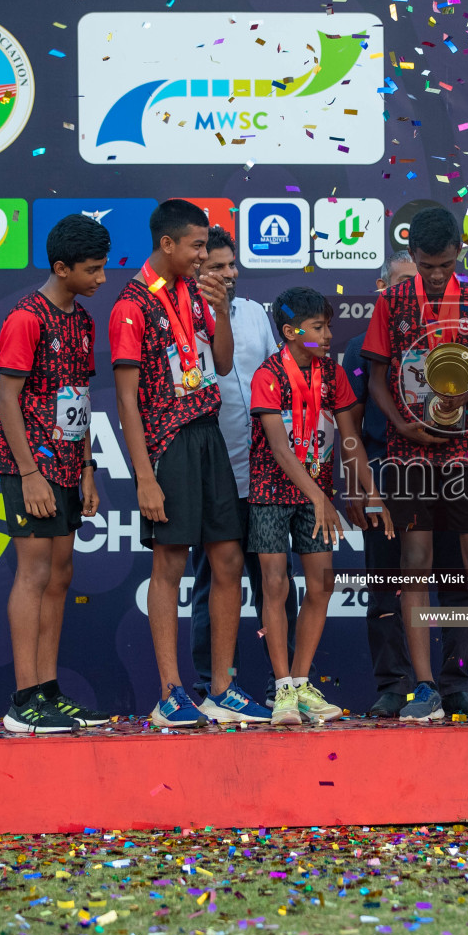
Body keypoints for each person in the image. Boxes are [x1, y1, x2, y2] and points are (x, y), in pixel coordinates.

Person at [109, 199, 270, 727]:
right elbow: (126, 401)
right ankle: (169, 692)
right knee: (170, 563)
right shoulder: (130, 306)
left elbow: (221, 363)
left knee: (226, 558)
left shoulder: (196, 295)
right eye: (198, 247)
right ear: (168, 244)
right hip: (167, 441)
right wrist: (146, 477)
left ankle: (221, 688)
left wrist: (221, 310)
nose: (205, 256)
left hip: (208, 434)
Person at [361, 206, 468, 724]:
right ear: (413, 256)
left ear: (459, 255)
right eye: (426, 265)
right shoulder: (393, 301)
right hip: (409, 450)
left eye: (444, 265)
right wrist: (399, 426)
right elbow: (377, 377)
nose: (434, 275)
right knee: (416, 560)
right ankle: (423, 687)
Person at [250, 287, 393, 724]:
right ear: (291, 332)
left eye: (328, 326)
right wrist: (320, 497)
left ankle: (300, 684)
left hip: (316, 497)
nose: (329, 335)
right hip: (271, 493)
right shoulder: (268, 374)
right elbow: (278, 447)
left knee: (321, 586)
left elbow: (350, 440)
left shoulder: (333, 374)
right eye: (318, 328)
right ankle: (281, 691)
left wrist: (371, 494)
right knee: (275, 586)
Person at [342, 253, 468, 718]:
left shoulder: (459, 340)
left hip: (453, 475)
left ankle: (456, 683)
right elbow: (350, 425)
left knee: (456, 583)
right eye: (402, 286)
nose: (414, 296)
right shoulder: (361, 346)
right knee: (386, 585)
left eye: (421, 285)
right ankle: (396, 685)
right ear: (383, 291)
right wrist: (357, 486)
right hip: (387, 475)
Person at [0, 214, 111, 733]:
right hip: (30, 466)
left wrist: (86, 468)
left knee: (61, 575)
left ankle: (48, 689)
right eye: (92, 270)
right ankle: (23, 700)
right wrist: (30, 472)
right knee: (35, 572)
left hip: (68, 462)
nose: (101, 279)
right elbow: (7, 398)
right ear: (61, 268)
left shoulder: (81, 321)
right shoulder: (26, 318)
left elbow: (79, 399)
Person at [185, 225, 294, 707]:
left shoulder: (253, 313)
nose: (228, 275)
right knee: (215, 580)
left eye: (231, 265)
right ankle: (212, 685)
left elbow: (278, 378)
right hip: (213, 470)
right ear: (195, 268)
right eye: (216, 267)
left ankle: (282, 684)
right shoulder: (180, 317)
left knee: (275, 580)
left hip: (266, 472)